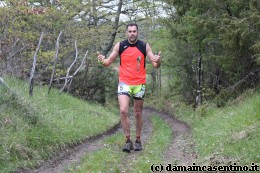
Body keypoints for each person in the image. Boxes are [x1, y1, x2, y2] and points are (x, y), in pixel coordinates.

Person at [97, 23, 161, 152]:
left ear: (137, 32)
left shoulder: (144, 45)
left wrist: (158, 60)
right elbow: (107, 63)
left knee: (138, 113)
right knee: (123, 110)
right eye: (130, 31)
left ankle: (138, 140)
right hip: (124, 82)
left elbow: (155, 65)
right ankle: (127, 141)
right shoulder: (120, 45)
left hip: (139, 84)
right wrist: (101, 59)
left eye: (134, 31)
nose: (132, 33)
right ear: (127, 33)